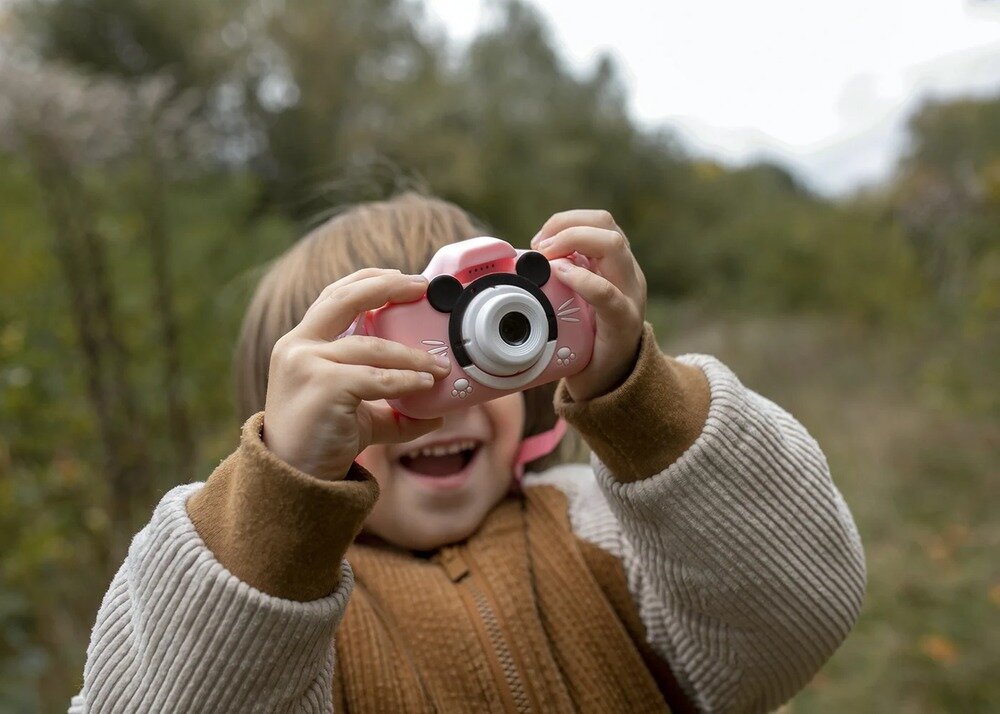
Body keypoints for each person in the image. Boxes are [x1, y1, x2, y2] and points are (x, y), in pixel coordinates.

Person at [70, 193, 866, 713]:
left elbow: (796, 616)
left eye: (481, 339)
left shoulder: (608, 523)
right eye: (375, 366)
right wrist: (278, 507)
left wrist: (640, 396)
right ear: (284, 417)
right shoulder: (279, 618)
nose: (429, 399)